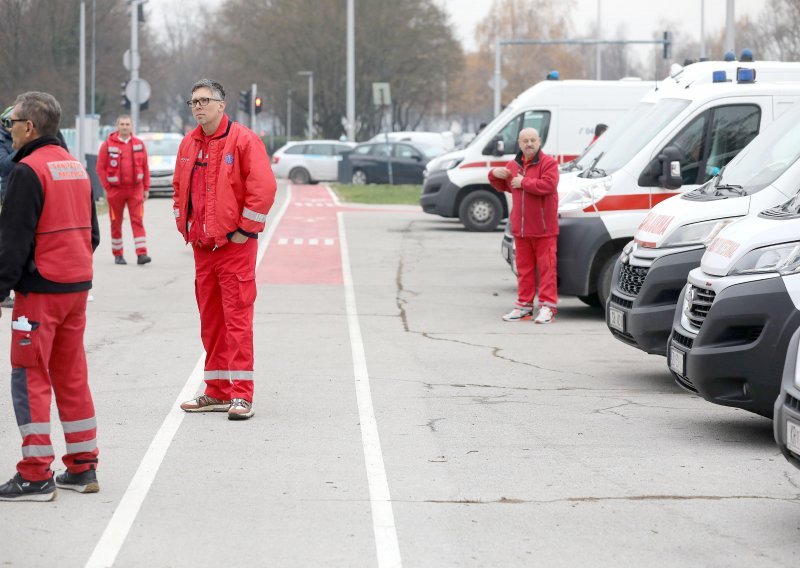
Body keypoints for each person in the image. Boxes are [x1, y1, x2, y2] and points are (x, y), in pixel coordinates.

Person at [0, 92, 101, 501]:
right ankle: (82, 466)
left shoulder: (27, 171)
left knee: (30, 378)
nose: (9, 129)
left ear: (30, 126)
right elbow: (92, 234)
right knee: (71, 375)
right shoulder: (75, 167)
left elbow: (13, 241)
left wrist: (2, 285)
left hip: (40, 294)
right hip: (76, 288)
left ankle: (35, 474)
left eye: (13, 122)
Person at [174, 79, 276, 420]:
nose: (199, 106)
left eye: (205, 100)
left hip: (235, 248)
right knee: (211, 322)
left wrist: (244, 231)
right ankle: (216, 391)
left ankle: (242, 395)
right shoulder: (189, 143)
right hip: (204, 249)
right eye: (194, 102)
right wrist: (184, 225)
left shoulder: (244, 140)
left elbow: (263, 188)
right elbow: (179, 188)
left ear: (221, 105)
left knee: (237, 321)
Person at [489, 127, 559, 324]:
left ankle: (548, 307)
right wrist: (494, 173)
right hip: (521, 230)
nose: (529, 144)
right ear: (519, 144)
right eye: (525, 141)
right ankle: (523, 307)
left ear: (539, 142)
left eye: (532, 140)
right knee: (524, 270)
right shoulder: (513, 165)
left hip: (544, 231)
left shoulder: (549, 163)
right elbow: (501, 184)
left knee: (547, 270)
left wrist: (524, 182)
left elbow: (548, 185)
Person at [96, 114, 151, 266]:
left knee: (137, 221)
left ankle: (142, 254)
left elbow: (146, 167)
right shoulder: (107, 145)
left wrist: (146, 188)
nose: (125, 127)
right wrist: (107, 187)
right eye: (122, 124)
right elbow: (100, 168)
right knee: (116, 222)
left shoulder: (139, 144)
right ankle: (118, 254)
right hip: (116, 191)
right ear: (117, 126)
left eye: (128, 124)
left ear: (131, 126)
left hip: (136, 190)